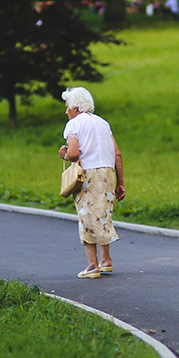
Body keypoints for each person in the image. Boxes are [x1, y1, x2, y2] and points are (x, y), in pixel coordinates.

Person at [58, 87, 126, 279]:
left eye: (67, 107)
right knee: (103, 215)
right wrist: (120, 182)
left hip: (88, 174)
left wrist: (64, 154)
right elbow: (117, 154)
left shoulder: (73, 124)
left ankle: (92, 266)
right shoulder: (103, 123)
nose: (66, 111)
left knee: (87, 217)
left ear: (75, 107)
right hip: (107, 173)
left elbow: (73, 153)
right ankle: (106, 261)